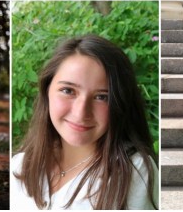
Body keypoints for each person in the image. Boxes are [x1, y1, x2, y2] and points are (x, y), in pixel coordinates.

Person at [11, 35, 158, 209]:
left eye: (102, 97)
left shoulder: (133, 172)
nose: (81, 112)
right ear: (47, 90)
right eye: (68, 90)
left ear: (120, 103)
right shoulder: (20, 165)